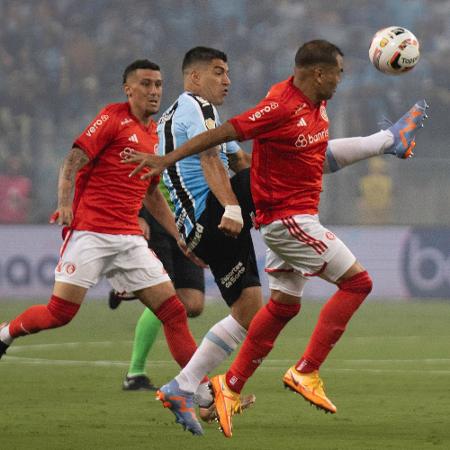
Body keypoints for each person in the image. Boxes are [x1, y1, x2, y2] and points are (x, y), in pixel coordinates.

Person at [123, 41, 428, 438]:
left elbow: (242, 160)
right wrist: (230, 205)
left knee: (258, 307)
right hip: (215, 214)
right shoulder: (196, 107)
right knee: (349, 275)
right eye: (218, 72)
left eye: (228, 72)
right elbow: (211, 155)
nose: (227, 80)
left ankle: (190, 388)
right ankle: (387, 140)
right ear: (195, 77)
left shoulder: (206, 112)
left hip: (204, 223)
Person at [0, 60, 202, 398]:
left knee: (174, 311)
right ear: (128, 89)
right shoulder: (112, 118)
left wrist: (179, 235)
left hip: (130, 239)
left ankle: (204, 391)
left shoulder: (153, 134)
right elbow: (74, 160)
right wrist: (65, 202)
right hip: (91, 233)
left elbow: (152, 194)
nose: (154, 91)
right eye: (146, 84)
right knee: (59, 314)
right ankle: (6, 332)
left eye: (158, 85)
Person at [108, 197, 205, 392]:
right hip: (156, 218)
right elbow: (140, 176)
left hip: (187, 221)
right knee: (165, 298)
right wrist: (139, 214)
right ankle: (135, 374)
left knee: (194, 304)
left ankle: (129, 289)